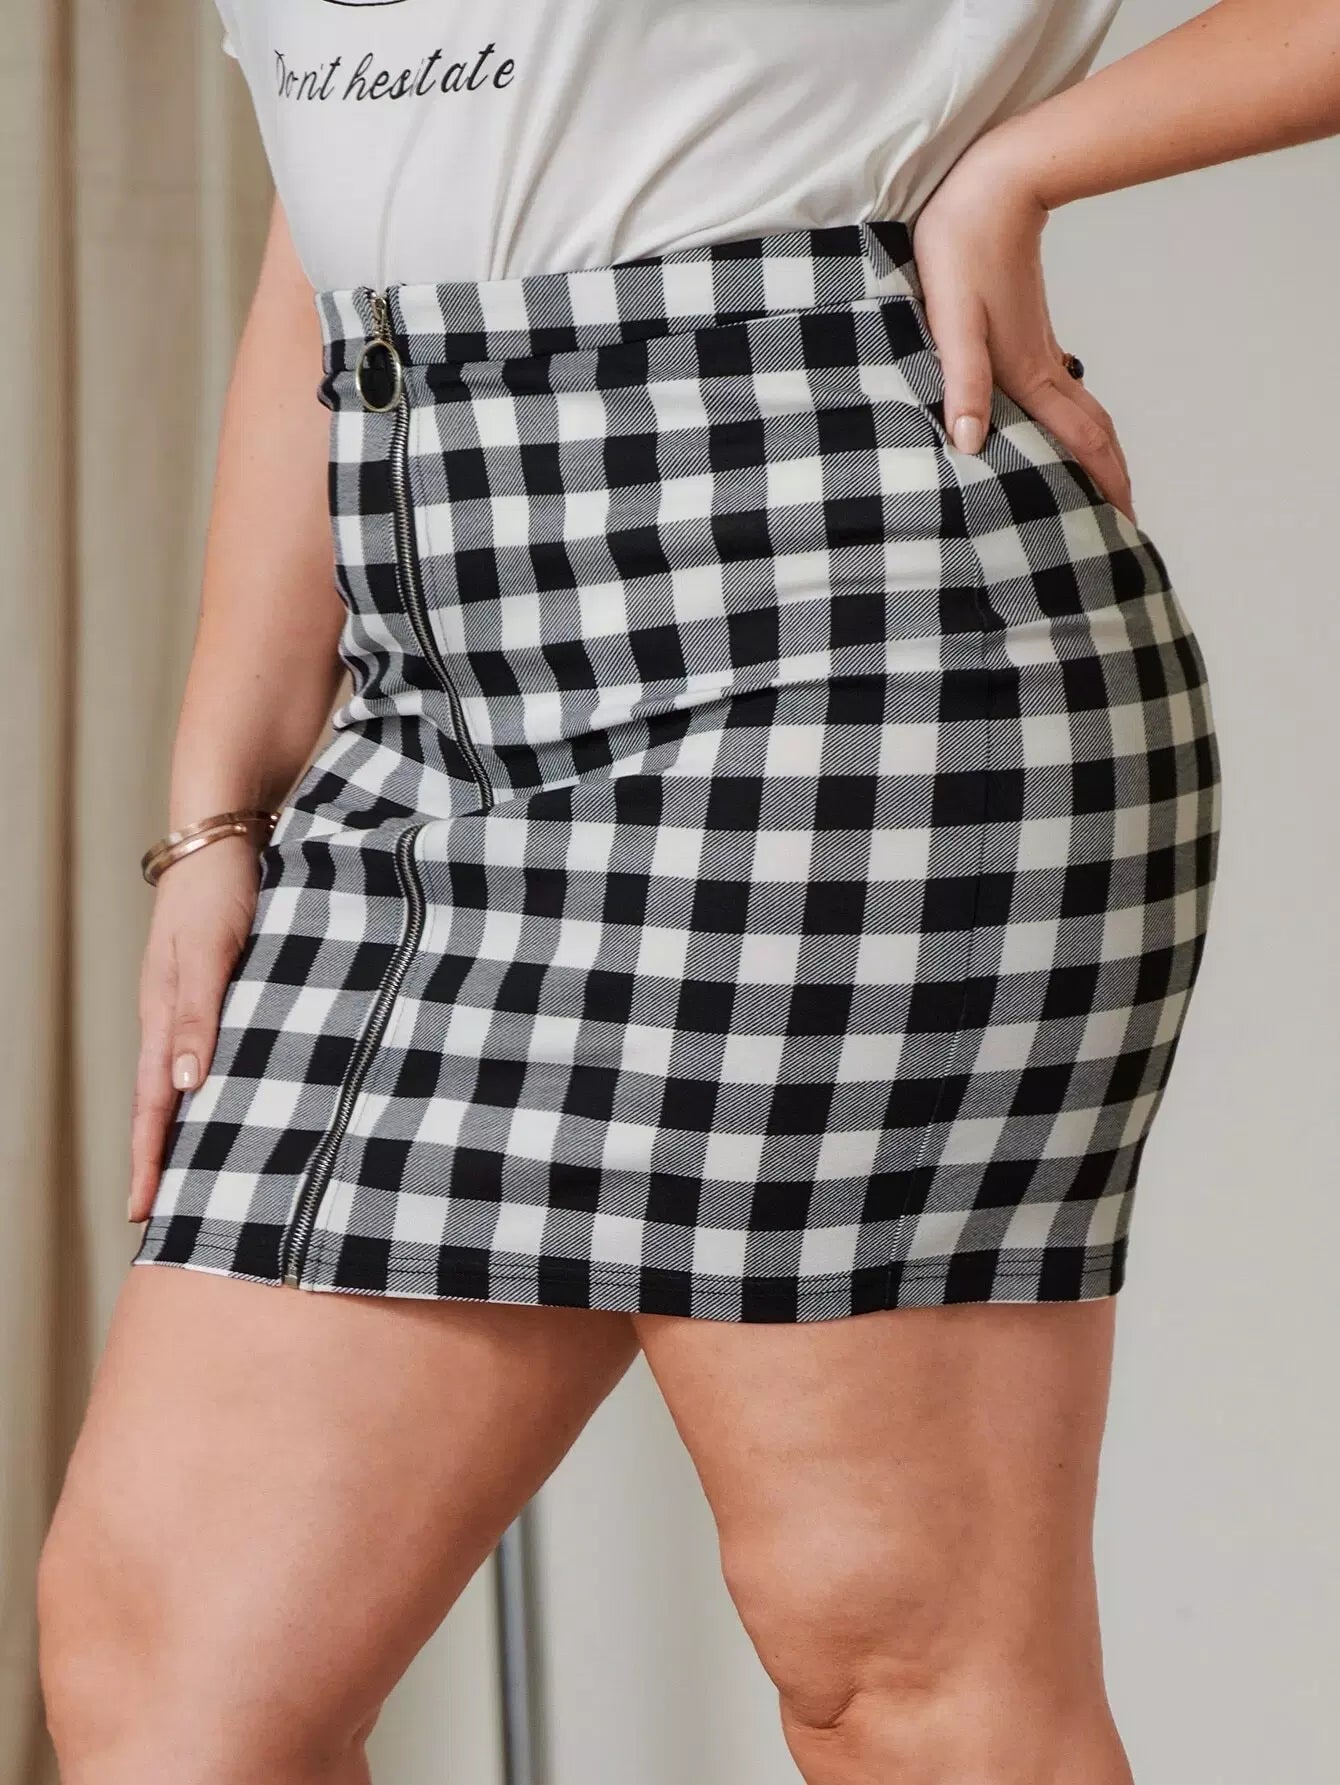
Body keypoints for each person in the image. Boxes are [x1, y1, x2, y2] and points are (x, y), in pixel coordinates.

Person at [34, 3, 1338, 1781]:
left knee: (896, 1666)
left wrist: (1024, 163)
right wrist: (218, 804)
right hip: (426, 684)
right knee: (170, 1676)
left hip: (839, 620)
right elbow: (328, 228)